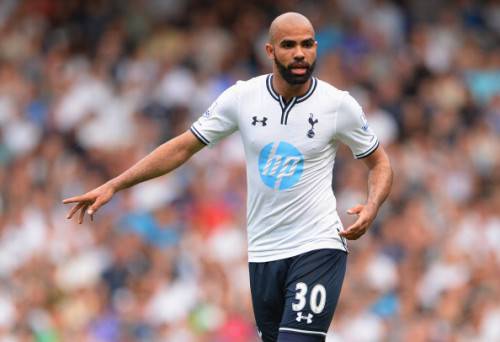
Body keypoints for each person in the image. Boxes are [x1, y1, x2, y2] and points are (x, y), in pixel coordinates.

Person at [63, 12, 393, 342]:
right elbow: (183, 147)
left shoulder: (338, 105)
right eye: (289, 45)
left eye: (307, 45)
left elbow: (380, 163)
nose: (299, 54)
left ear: (316, 48)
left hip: (318, 245)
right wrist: (115, 184)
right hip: (263, 252)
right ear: (269, 51)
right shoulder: (242, 98)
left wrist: (372, 205)